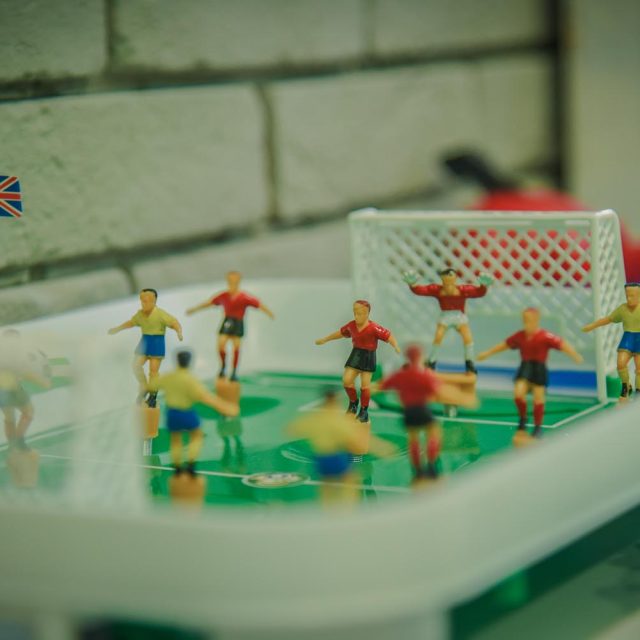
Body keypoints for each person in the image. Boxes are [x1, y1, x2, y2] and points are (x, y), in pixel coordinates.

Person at [478, 308, 583, 438]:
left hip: (539, 369)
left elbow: (561, 344)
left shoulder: (545, 336)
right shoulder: (520, 336)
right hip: (525, 367)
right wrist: (487, 353)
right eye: (524, 319)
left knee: (538, 399)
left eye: (529, 319)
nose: (526, 321)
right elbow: (504, 345)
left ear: (536, 319)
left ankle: (538, 426)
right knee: (518, 395)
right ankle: (523, 417)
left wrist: (574, 355)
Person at [379, 344, 476, 478]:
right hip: (421, 409)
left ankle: (417, 469)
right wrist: (463, 398)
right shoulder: (424, 375)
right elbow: (441, 391)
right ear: (419, 357)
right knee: (434, 432)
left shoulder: (400, 375)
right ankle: (431, 464)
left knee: (413, 439)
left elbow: (383, 385)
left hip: (408, 412)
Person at [147, 350, 239, 476]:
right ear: (189, 362)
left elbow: (152, 385)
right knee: (197, 435)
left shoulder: (169, 376)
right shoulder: (190, 380)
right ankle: (191, 463)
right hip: (185, 412)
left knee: (175, 439)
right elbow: (207, 398)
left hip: (172, 414)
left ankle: (177, 466)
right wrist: (226, 408)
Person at [315, 300, 400, 423]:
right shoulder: (351, 325)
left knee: (365, 385)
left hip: (369, 356)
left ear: (366, 314)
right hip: (356, 354)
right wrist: (325, 339)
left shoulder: (374, 328)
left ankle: (364, 410)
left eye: (359, 313)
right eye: (355, 313)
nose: (356, 316)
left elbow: (388, 336)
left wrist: (395, 345)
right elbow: (341, 333)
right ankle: (353, 403)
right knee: (347, 380)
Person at [186, 271, 274, 381]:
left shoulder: (244, 297)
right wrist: (194, 309)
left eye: (235, 281)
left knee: (236, 347)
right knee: (221, 344)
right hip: (228, 321)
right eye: (230, 281)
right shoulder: (224, 296)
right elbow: (209, 303)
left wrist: (269, 313)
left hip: (238, 322)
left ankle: (234, 372)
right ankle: (223, 367)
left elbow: (259, 304)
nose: (232, 283)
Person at [403, 268, 493, 373]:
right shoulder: (437, 290)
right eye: (445, 281)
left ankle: (470, 363)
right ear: (442, 280)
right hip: (445, 316)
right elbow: (422, 290)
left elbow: (478, 292)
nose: (448, 285)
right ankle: (431, 362)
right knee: (438, 337)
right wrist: (412, 285)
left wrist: (484, 286)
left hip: (459, 316)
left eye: (450, 280)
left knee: (468, 339)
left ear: (455, 279)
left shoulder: (464, 290)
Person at [108, 288, 183, 407]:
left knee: (153, 372)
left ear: (154, 301)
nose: (144, 304)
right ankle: (144, 387)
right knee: (136, 365)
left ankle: (153, 395)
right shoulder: (140, 314)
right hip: (145, 342)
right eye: (142, 301)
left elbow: (174, 322)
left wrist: (179, 331)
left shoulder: (160, 314)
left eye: (147, 301)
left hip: (157, 342)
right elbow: (131, 322)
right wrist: (117, 329)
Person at [582, 282, 640, 400]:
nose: (629, 299)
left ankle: (638, 389)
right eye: (627, 296)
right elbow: (608, 319)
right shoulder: (623, 309)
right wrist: (592, 325)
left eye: (632, 296)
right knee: (621, 363)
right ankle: (626, 386)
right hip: (628, 338)